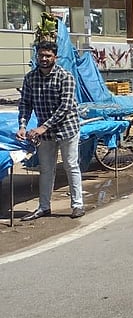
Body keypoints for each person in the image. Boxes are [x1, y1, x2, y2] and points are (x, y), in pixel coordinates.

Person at [17, 41, 84, 220]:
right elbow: (25, 104)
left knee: (71, 165)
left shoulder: (65, 77)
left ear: (55, 57)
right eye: (41, 55)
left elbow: (65, 106)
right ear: (37, 56)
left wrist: (43, 127)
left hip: (67, 129)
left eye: (48, 55)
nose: (44, 59)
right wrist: (22, 126)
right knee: (46, 169)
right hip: (45, 134)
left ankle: (78, 205)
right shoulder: (30, 78)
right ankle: (44, 207)